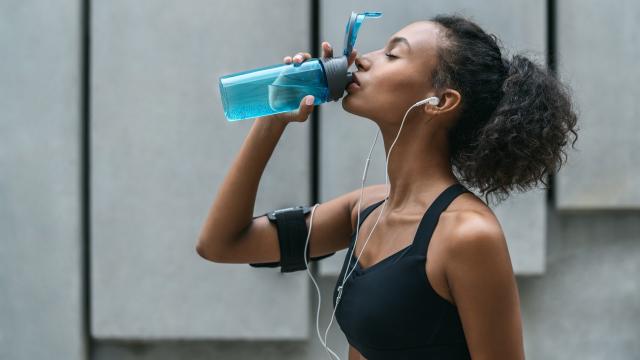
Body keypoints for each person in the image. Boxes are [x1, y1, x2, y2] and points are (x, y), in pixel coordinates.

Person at [196, 14, 578, 360]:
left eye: (393, 55)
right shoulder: (367, 209)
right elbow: (222, 244)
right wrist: (273, 119)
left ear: (440, 102)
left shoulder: (467, 235)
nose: (362, 58)